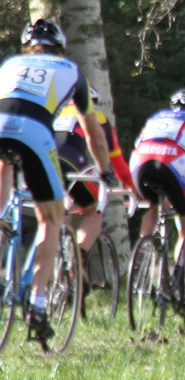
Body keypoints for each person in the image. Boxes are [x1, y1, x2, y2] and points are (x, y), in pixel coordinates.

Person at [0, 19, 114, 343]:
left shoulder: (11, 64)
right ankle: (37, 305)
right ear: (60, 50)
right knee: (51, 217)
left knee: (4, 165)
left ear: (28, 49)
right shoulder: (72, 71)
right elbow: (94, 134)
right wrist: (104, 170)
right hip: (36, 132)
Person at [130, 91, 185, 311]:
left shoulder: (157, 117)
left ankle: (145, 249)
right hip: (172, 162)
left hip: (140, 164)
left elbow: (138, 143)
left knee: (153, 207)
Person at [54, 82, 133, 259]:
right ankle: (78, 259)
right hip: (71, 161)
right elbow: (119, 166)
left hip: (42, 159)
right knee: (94, 209)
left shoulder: (55, 113)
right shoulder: (99, 118)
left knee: (52, 211)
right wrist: (133, 188)